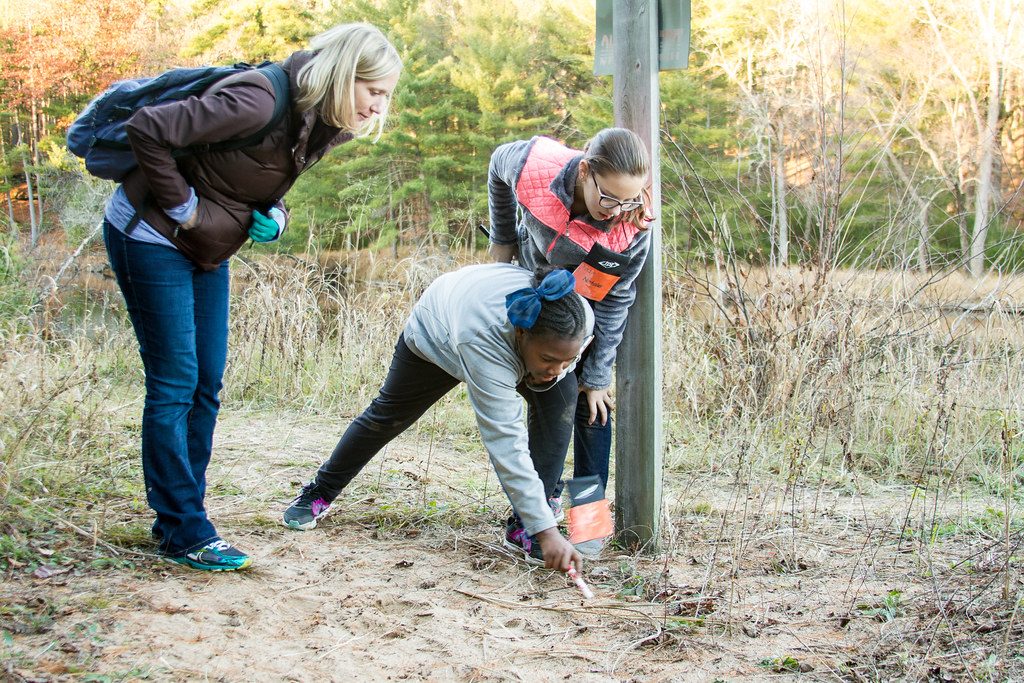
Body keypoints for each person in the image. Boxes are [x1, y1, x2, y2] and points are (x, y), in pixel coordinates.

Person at [102, 24, 402, 571]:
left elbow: (266, 180)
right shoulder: (256, 99)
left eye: (386, 95)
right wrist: (184, 208)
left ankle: (176, 517)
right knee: (175, 382)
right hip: (149, 233)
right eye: (373, 90)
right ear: (341, 75)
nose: (380, 106)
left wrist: (278, 217)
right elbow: (147, 127)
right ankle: (185, 529)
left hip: (206, 248)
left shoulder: (323, 121)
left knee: (206, 382)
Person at [282, 264, 593, 574]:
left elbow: (564, 357)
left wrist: (589, 376)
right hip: (439, 331)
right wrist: (548, 532)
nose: (558, 368)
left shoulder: (576, 319)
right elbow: (506, 444)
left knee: (559, 408)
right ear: (522, 333)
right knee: (387, 416)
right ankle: (319, 491)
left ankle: (525, 525)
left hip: (500, 323)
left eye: (567, 360)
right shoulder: (481, 339)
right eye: (551, 361)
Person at [486, 128, 651, 544]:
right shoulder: (533, 167)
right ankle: (537, 507)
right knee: (544, 401)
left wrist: (596, 377)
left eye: (629, 199)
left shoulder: (634, 223)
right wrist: (503, 241)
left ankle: (589, 525)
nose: (617, 210)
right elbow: (496, 168)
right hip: (535, 294)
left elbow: (617, 300)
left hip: (590, 308)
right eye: (608, 198)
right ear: (584, 172)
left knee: (592, 407)